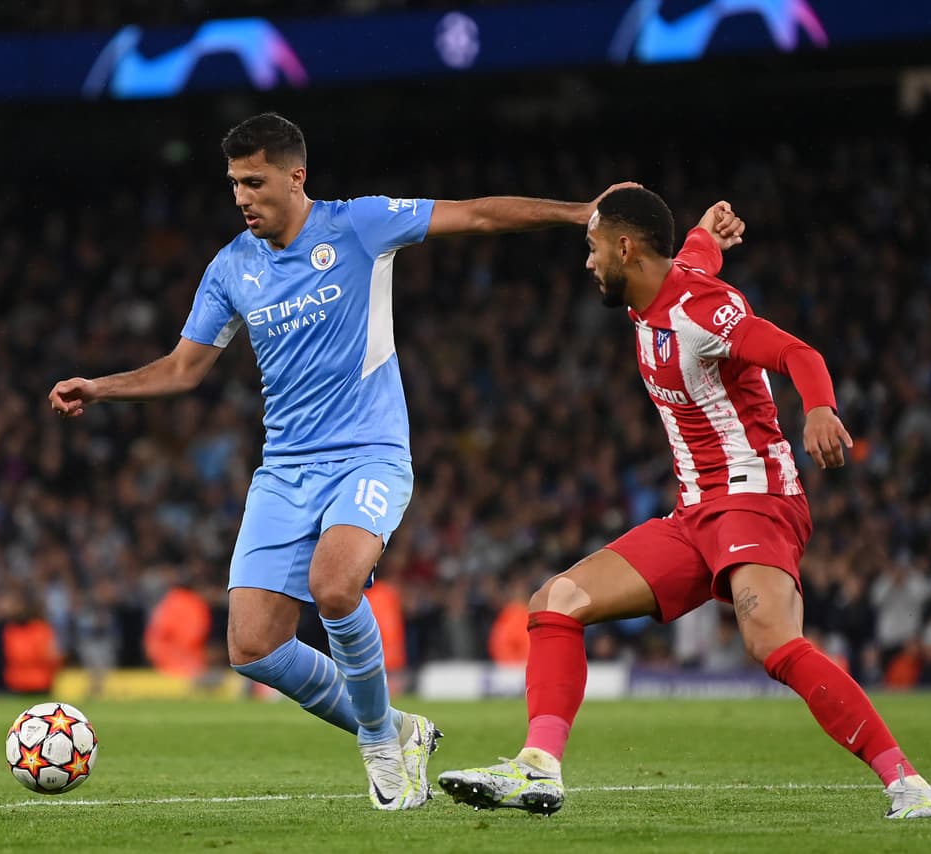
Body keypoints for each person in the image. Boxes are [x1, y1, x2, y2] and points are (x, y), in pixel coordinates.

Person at [48, 112, 631, 810]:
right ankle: (398, 729)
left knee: (333, 586)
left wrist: (578, 212)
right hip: (284, 469)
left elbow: (475, 214)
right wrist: (100, 387)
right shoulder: (231, 267)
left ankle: (380, 748)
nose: (241, 197)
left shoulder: (359, 224)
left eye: (255, 182)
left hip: (368, 454)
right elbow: (182, 368)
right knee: (253, 647)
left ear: (296, 176)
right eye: (234, 183)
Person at [437, 188, 931, 820]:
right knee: (556, 601)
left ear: (626, 248)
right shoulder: (657, 282)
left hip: (755, 500)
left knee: (771, 642)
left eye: (593, 248)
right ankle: (538, 768)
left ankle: (908, 784)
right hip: (694, 514)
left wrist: (819, 408)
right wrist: (708, 230)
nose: (588, 262)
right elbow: (694, 256)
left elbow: (798, 352)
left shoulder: (700, 311)